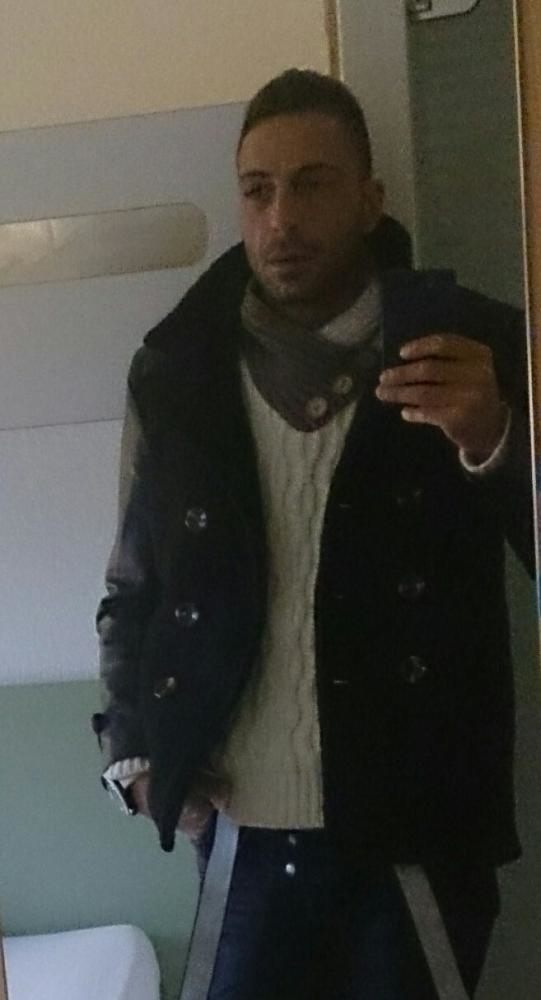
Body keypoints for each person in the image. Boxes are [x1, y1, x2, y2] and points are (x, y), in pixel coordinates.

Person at [92, 69, 533, 999]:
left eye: (312, 184)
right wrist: (133, 757)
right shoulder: (176, 371)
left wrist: (493, 437)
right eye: (257, 190)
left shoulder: (477, 349)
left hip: (413, 831)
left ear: (370, 199)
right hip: (239, 836)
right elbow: (134, 584)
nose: (281, 218)